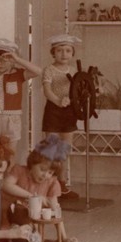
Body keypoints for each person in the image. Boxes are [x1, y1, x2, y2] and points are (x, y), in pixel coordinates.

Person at [2, 134, 74, 242]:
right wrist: (31, 196)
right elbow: (5, 185)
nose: (45, 175)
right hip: (5, 214)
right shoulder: (19, 170)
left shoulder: (52, 182)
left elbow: (56, 212)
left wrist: (64, 237)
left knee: (29, 236)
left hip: (28, 221)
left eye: (50, 172)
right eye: (42, 169)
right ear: (32, 163)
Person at [42, 33, 82, 199]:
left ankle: (62, 184)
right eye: (59, 50)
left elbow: (80, 90)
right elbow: (47, 91)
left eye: (67, 50)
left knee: (64, 150)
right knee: (50, 149)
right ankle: (46, 184)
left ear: (72, 53)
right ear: (53, 53)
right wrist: (58, 101)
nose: (64, 54)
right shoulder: (49, 70)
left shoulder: (74, 71)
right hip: (53, 110)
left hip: (69, 112)